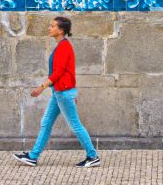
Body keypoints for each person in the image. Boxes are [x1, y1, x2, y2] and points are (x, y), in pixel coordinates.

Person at [14, 14, 100, 168]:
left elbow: (58, 73)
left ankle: (92, 156)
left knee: (75, 125)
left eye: (52, 26)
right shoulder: (61, 46)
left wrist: (41, 87)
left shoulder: (64, 47)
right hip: (59, 92)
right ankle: (33, 156)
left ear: (61, 30)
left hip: (64, 93)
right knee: (46, 122)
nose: (49, 28)